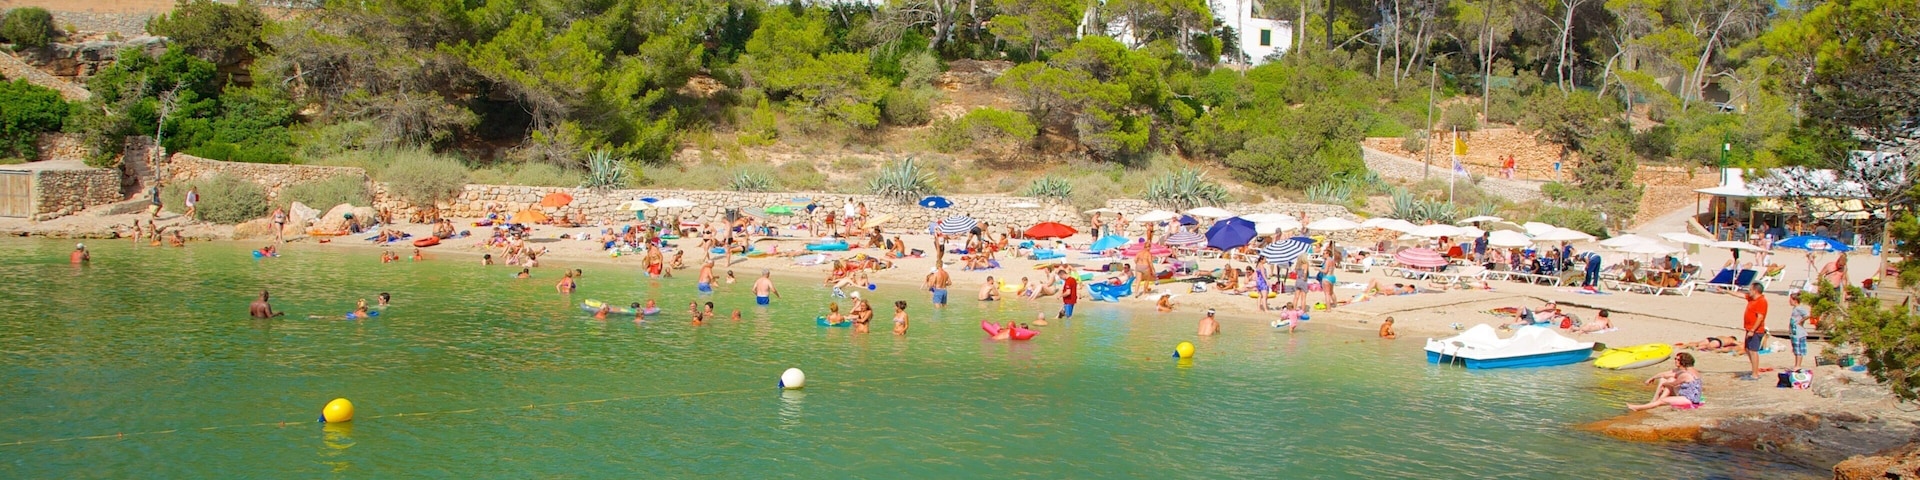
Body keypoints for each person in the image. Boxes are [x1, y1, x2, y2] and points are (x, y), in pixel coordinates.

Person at [1628, 353, 1703, 411]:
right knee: (1666, 379)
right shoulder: (1690, 371)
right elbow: (1666, 374)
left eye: (1677, 359)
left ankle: (1638, 407)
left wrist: (1663, 384)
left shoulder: (1685, 374)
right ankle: (1654, 402)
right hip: (1691, 395)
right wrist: (1653, 378)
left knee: (1662, 400)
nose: (1675, 361)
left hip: (1690, 399)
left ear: (1683, 362)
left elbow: (1673, 384)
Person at [1725, 282, 1768, 380]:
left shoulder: (1761, 301)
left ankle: (1755, 374)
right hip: (1749, 329)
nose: (1749, 291)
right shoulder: (1752, 298)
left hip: (1756, 331)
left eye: (1750, 289)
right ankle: (1754, 370)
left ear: (1755, 290)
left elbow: (1760, 317)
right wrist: (1725, 291)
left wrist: (1753, 330)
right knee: (1748, 349)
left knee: (1753, 351)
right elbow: (1740, 295)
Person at [1788, 292, 1810, 370]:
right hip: (1795, 332)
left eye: (1790, 299)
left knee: (1798, 350)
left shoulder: (1799, 308)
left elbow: (1807, 314)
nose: (1789, 301)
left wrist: (1801, 321)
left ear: (1795, 300)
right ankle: (1796, 365)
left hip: (1798, 333)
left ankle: (1798, 365)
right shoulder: (1795, 309)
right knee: (1796, 349)